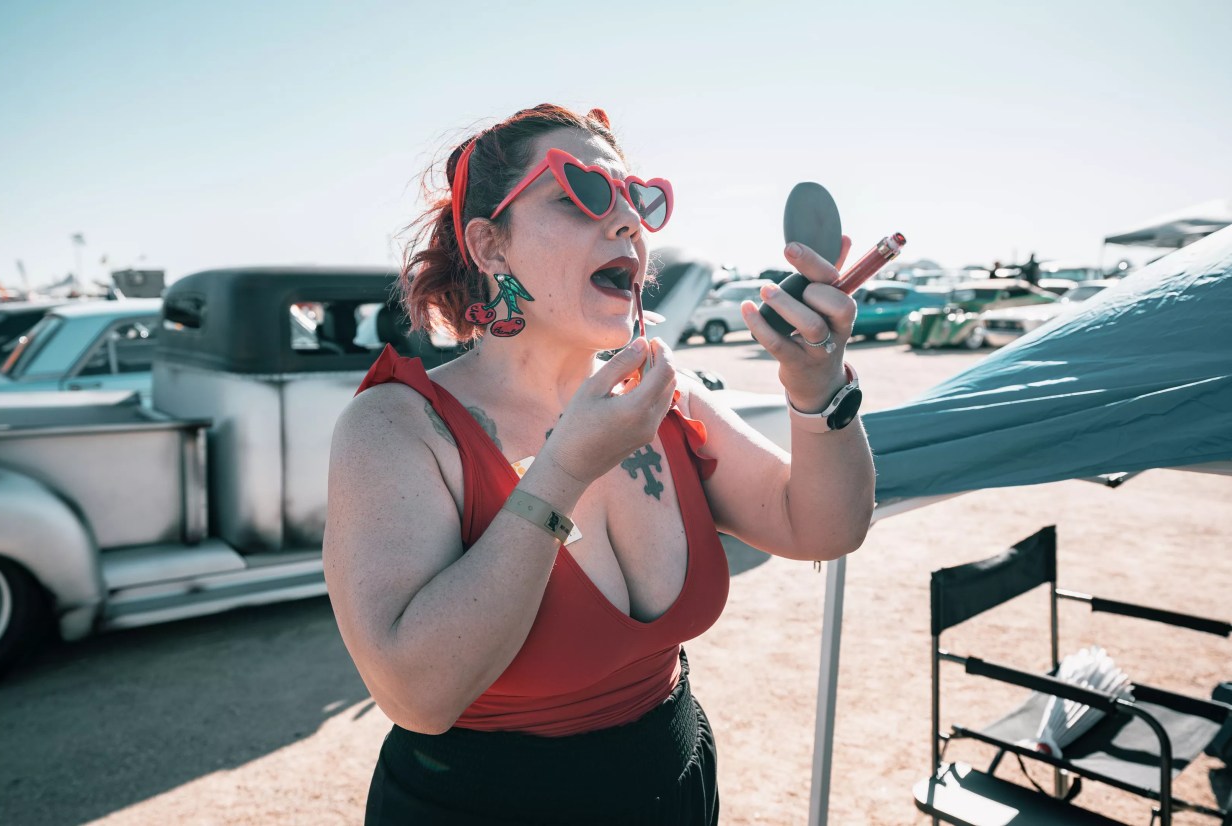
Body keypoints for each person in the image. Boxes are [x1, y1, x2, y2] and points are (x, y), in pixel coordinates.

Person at [323, 103, 876, 825]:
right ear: (490, 246)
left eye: (634, 200)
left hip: (672, 786)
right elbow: (415, 697)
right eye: (579, 192)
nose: (626, 224)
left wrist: (818, 389)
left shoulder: (664, 396)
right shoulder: (398, 426)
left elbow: (824, 528)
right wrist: (562, 472)